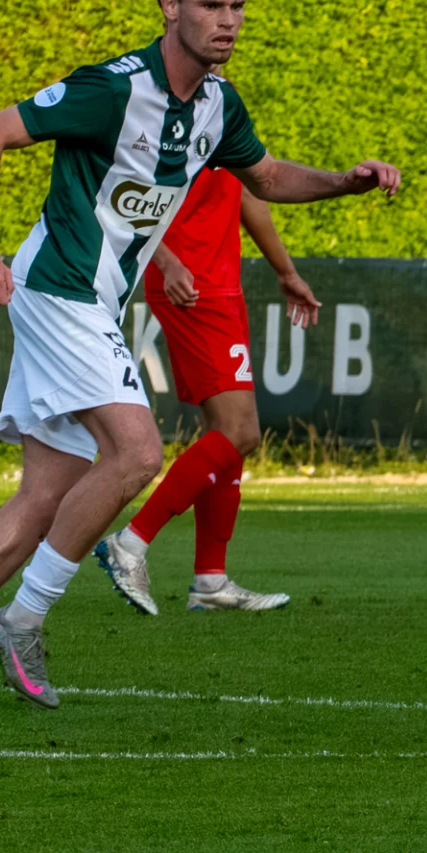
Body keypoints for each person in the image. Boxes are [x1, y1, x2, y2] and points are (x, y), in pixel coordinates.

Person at [0, 0, 402, 710]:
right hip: (59, 288)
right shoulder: (114, 88)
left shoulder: (218, 105)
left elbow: (270, 177)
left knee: (44, 498)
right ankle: (22, 619)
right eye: (212, 5)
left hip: (96, 300)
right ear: (169, 5)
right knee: (137, 450)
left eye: (238, 7)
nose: (228, 21)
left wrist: (345, 183)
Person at [91, 168, 321, 616]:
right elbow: (125, 196)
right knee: (241, 432)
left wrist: (286, 272)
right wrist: (166, 260)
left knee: (227, 435)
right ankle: (131, 542)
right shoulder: (169, 104)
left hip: (220, 283)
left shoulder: (223, 103)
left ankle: (210, 581)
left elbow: (249, 193)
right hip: (192, 284)